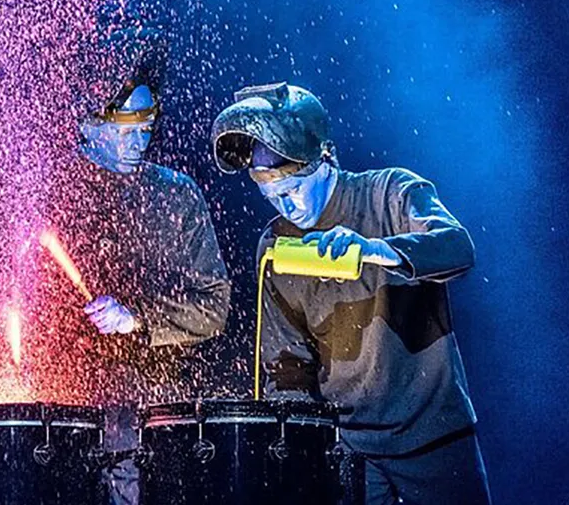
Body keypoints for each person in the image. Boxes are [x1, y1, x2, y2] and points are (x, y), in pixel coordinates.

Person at [210, 82, 491, 505]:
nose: (285, 207)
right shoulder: (276, 245)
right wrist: (296, 445)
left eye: (291, 191)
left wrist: (378, 250)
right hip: (351, 450)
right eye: (270, 196)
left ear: (324, 159)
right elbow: (286, 362)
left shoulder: (389, 193)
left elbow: (458, 248)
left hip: (434, 436)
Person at [33, 27, 232, 505]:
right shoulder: (46, 194)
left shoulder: (177, 196)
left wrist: (137, 315)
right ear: (87, 124)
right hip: (61, 417)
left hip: (156, 415)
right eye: (127, 128)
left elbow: (214, 308)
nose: (140, 140)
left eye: (147, 127)